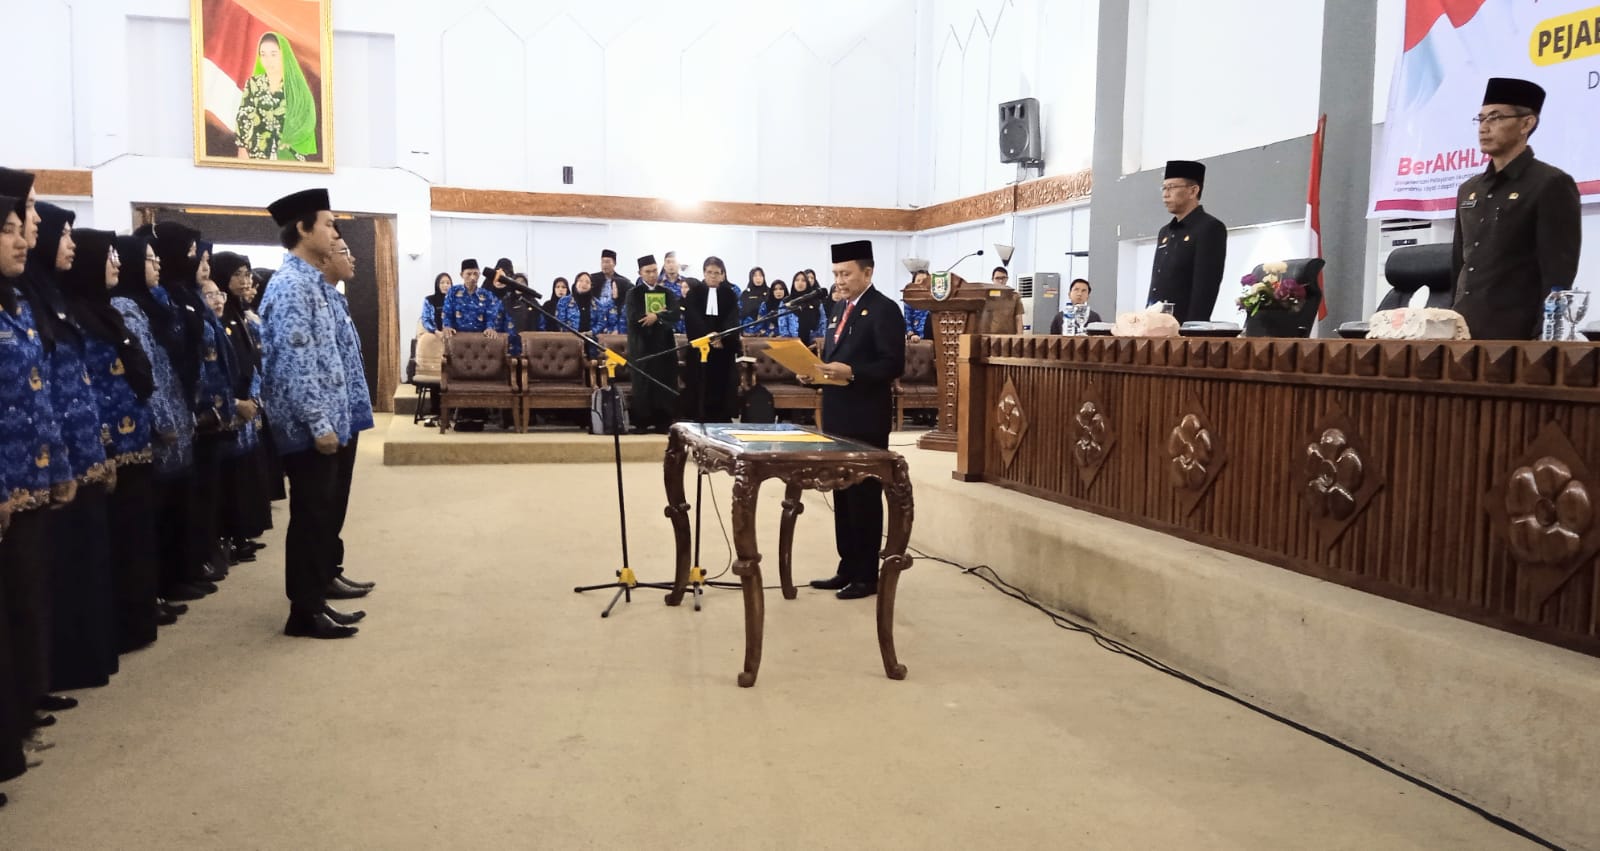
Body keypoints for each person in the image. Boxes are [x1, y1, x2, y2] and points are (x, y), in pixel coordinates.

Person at [259, 188, 368, 639]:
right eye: (327, 223)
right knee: (310, 517)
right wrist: (320, 424)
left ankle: (314, 599)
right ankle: (303, 612)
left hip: (325, 421)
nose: (334, 231)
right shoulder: (290, 286)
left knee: (320, 515)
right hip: (306, 427)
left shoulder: (311, 284)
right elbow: (295, 363)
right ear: (303, 229)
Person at [29, 205, 120, 695]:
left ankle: (79, 664)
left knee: (84, 565)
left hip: (81, 453)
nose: (70, 244)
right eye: (63, 234)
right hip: (50, 462)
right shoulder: (32, 297)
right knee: (54, 574)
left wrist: (98, 448)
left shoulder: (51, 296)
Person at [62, 229, 161, 653]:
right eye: (109, 256)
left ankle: (139, 618)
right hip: (109, 452)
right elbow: (85, 390)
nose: (117, 263)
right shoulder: (75, 318)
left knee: (137, 535)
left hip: (136, 439)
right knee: (117, 541)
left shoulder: (107, 311)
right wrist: (104, 450)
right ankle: (121, 625)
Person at [805, 240, 905, 600]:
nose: (839, 280)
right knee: (842, 493)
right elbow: (834, 360)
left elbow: (892, 364)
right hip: (836, 415)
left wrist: (853, 373)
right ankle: (847, 567)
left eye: (846, 273)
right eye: (836, 273)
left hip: (865, 417)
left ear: (868, 272)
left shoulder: (884, 309)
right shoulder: (838, 308)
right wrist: (814, 374)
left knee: (863, 495)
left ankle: (866, 576)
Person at [1452, 78, 1582, 340]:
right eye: (1481, 119)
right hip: (1462, 330)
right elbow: (1458, 265)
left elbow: (1558, 271)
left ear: (1526, 123)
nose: (1484, 128)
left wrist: (1545, 336)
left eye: (1496, 118)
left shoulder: (1550, 183)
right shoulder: (1469, 189)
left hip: (1516, 336)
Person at [110, 235, 201, 609]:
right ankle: (156, 591)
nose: (158, 264)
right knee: (154, 515)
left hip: (175, 412)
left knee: (172, 510)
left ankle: (172, 582)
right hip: (155, 424)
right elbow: (145, 370)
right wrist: (163, 418)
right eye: (150, 259)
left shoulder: (154, 303)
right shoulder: (125, 307)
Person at [0, 190, 54, 794]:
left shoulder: (14, 302)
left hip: (28, 480)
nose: (22, 240)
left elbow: (36, 393)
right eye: (10, 228)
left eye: (23, 226)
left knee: (22, 607)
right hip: (7, 485)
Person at [309, 234, 378, 602]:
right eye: (344, 252)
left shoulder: (335, 299)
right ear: (324, 259)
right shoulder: (313, 299)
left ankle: (331, 569)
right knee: (324, 504)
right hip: (331, 418)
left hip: (347, 415)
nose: (353, 259)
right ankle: (320, 578)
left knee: (337, 501)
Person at [210, 252, 271, 564]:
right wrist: (235, 402)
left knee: (245, 473)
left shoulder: (238, 311)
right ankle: (228, 538)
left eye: (247, 273)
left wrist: (256, 399)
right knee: (229, 477)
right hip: (228, 407)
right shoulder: (219, 314)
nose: (245, 280)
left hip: (249, 401)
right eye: (238, 274)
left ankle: (240, 535)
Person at [1147, 160, 1228, 323]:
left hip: (1183, 326)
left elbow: (1205, 287)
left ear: (1193, 191)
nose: (1165, 194)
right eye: (1164, 188)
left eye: (1171, 187)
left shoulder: (1209, 228)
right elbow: (1156, 284)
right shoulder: (1165, 232)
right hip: (1156, 323)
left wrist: (1193, 328)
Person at [235, 32, 318, 162]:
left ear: (284, 55)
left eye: (273, 54)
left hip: (290, 156)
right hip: (256, 155)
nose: (268, 60)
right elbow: (243, 117)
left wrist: (291, 139)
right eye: (263, 54)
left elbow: (307, 120)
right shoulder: (253, 84)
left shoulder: (296, 88)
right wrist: (242, 148)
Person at [624, 254, 680, 434]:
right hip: (642, 346)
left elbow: (675, 314)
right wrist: (654, 316)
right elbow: (634, 317)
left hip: (664, 346)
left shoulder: (667, 293)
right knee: (643, 384)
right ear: (640, 273)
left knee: (664, 383)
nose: (652, 275)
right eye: (648, 271)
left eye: (655, 271)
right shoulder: (633, 293)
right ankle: (642, 422)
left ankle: (663, 422)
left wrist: (657, 316)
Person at [681, 257, 742, 422]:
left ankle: (721, 417)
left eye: (717, 273)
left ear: (722, 275)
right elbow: (692, 318)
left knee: (722, 384)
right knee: (699, 383)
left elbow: (732, 319)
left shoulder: (729, 295)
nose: (713, 276)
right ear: (704, 273)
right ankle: (698, 415)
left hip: (723, 349)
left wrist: (722, 337)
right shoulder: (694, 294)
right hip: (700, 348)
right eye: (709, 272)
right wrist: (708, 336)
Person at [790, 271, 825, 347]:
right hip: (791, 344)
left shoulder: (816, 302)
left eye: (803, 280)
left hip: (812, 344)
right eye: (797, 280)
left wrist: (818, 340)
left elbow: (822, 322)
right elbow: (783, 325)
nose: (800, 283)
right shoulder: (787, 302)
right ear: (793, 283)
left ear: (807, 283)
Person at [903, 270, 932, 341]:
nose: (921, 283)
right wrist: (911, 335)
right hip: (917, 338)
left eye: (924, 281)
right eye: (918, 281)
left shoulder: (934, 297)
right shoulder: (909, 300)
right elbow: (907, 321)